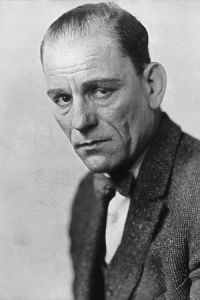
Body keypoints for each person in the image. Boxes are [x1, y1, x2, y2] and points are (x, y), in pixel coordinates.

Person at [40, 2, 200, 299]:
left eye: (101, 90)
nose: (80, 121)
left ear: (152, 85)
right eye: (63, 98)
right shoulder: (89, 194)